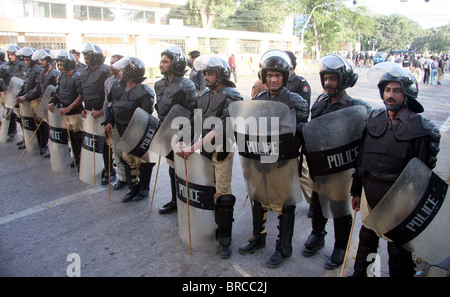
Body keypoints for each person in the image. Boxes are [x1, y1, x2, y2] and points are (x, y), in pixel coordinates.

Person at [350, 64, 440, 277]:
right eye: (387, 90)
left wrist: (413, 206)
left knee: (398, 246)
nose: (390, 95)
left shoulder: (421, 129)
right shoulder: (372, 120)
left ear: (407, 93)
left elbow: (422, 174)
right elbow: (361, 159)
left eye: (396, 90)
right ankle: (364, 274)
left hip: (400, 199)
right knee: (368, 238)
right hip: (370, 191)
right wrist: (356, 191)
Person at [238, 50, 309, 268]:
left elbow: (302, 130)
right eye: (269, 75)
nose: (273, 79)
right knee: (259, 198)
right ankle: (258, 237)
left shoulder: (296, 101)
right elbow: (251, 129)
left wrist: (289, 153)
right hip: (260, 158)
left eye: (277, 75)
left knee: (284, 203)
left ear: (285, 77)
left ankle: (283, 247)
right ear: (264, 76)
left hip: (284, 160)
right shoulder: (258, 99)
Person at [302, 54, 372, 270]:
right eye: (326, 78)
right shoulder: (320, 103)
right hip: (319, 164)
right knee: (317, 199)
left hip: (342, 167)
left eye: (333, 78)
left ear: (343, 80)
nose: (328, 83)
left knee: (340, 205)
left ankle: (341, 245)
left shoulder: (357, 107)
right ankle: (317, 233)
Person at [176, 55, 243, 259]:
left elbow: (223, 125)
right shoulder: (203, 96)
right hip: (203, 151)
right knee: (207, 189)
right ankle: (213, 225)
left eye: (211, 73)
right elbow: (193, 121)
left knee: (222, 194)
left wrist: (194, 146)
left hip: (221, 151)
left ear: (221, 75)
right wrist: (181, 138)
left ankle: (225, 236)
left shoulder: (232, 95)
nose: (207, 77)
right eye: (205, 73)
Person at [104, 57, 156, 203]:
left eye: (124, 69)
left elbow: (146, 116)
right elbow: (111, 107)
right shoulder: (117, 86)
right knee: (127, 160)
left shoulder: (144, 92)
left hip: (138, 133)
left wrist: (139, 136)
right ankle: (132, 188)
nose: (121, 71)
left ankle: (143, 189)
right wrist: (109, 121)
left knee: (142, 161)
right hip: (121, 129)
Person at [154, 45, 197, 214]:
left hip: (181, 133)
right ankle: (175, 200)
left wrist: (186, 135)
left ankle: (189, 201)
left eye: (165, 62)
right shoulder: (159, 84)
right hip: (165, 131)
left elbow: (194, 112)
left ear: (175, 64)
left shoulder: (186, 85)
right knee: (172, 167)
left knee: (185, 169)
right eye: (161, 61)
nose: (161, 64)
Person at [79, 42, 114, 185]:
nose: (86, 60)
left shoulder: (105, 71)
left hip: (103, 113)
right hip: (90, 113)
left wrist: (102, 110)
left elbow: (109, 94)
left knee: (106, 144)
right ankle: (100, 167)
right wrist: (84, 108)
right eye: (85, 58)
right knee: (93, 142)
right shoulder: (85, 72)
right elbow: (84, 92)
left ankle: (110, 170)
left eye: (88, 57)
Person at [16, 49, 59, 157]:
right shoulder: (41, 73)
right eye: (39, 60)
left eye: (42, 60)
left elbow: (58, 90)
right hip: (43, 101)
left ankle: (47, 146)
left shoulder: (55, 74)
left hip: (53, 103)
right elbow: (37, 89)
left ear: (48, 60)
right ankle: (41, 144)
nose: (41, 62)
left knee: (53, 127)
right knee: (41, 124)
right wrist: (25, 96)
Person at [284, 50, 313, 215]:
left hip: (295, 135)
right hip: (279, 135)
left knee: (302, 171)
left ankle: (313, 202)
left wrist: (298, 136)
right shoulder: (279, 80)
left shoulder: (300, 83)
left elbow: (304, 111)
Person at [47, 50, 84, 167]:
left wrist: (69, 108)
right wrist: (52, 102)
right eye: (58, 64)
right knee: (71, 136)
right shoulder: (61, 76)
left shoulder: (77, 77)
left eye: (61, 64)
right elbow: (58, 93)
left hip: (75, 113)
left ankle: (83, 158)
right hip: (64, 113)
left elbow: (80, 96)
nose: (59, 66)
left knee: (78, 136)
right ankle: (76, 156)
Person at [104, 54, 126, 190]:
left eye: (114, 63)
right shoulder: (108, 82)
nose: (111, 65)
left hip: (125, 123)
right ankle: (121, 178)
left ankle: (133, 180)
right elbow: (107, 103)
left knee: (127, 154)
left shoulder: (127, 82)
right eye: (110, 62)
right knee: (116, 152)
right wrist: (107, 121)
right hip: (112, 122)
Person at [15, 47, 42, 149]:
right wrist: (19, 95)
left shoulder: (38, 70)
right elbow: (26, 85)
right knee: (28, 122)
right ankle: (30, 142)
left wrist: (25, 96)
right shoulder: (29, 70)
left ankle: (41, 144)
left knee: (39, 123)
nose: (26, 62)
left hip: (35, 100)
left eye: (27, 60)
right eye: (24, 60)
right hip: (27, 100)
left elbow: (37, 88)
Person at [3, 45, 26, 142]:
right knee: (12, 114)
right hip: (10, 91)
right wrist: (5, 87)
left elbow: (23, 79)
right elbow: (4, 77)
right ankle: (14, 132)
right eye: (9, 54)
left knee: (22, 116)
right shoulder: (8, 65)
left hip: (19, 92)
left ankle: (26, 137)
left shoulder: (21, 65)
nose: (11, 56)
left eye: (12, 54)